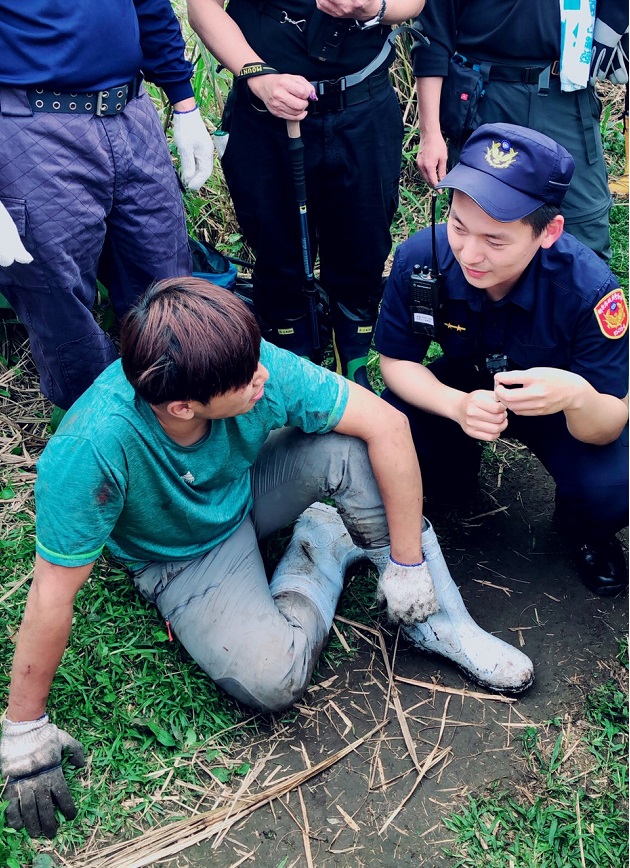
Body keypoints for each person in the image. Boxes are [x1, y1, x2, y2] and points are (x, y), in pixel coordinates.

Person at [0, 277, 533, 839]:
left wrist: (407, 564)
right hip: (182, 554)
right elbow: (51, 595)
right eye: (247, 379)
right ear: (182, 405)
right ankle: (318, 554)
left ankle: (434, 618)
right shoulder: (91, 449)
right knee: (272, 679)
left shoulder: (244, 361)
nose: (264, 377)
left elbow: (388, 424)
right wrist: (25, 724)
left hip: (249, 483)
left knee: (356, 449)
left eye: (257, 361)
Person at [375, 123, 629, 599]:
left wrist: (574, 396)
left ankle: (584, 530)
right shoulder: (420, 258)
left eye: (495, 241)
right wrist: (455, 405)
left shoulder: (592, 292)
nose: (470, 254)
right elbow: (396, 361)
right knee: (395, 425)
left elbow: (611, 418)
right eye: (458, 226)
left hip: (557, 406)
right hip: (464, 388)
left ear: (548, 232)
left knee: (614, 487)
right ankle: (453, 476)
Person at [186, 0, 425, 388]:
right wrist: (257, 75)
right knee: (276, 246)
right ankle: (291, 363)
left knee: (365, 240)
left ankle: (353, 359)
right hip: (265, 113)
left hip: (365, 105)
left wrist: (375, 7)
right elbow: (201, 7)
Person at [0, 1, 215, 412]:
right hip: (32, 125)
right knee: (59, 296)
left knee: (167, 275)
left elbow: (149, 6)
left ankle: (179, 409)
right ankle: (98, 426)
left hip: (132, 114)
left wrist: (185, 103)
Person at [413, 0, 629, 261]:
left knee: (584, 231)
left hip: (566, 93)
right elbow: (432, 36)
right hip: (488, 97)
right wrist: (430, 132)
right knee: (482, 232)